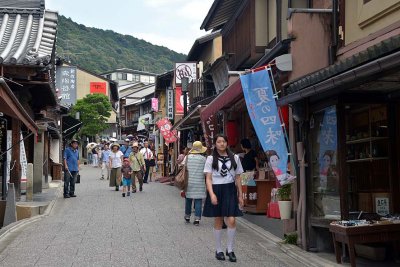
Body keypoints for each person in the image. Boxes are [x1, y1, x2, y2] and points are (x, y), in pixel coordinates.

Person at [203, 134, 244, 262]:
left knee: (231, 219)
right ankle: (219, 249)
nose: (222, 144)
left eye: (224, 141)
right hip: (216, 189)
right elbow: (208, 178)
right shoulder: (210, 159)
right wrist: (211, 194)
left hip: (230, 190)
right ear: (215, 144)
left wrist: (240, 195)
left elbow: (238, 177)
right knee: (219, 219)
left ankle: (230, 249)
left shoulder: (235, 158)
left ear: (227, 143)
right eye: (219, 142)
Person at [184, 141, 207, 226]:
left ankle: (187, 216)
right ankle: (197, 219)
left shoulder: (187, 157)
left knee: (188, 199)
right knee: (198, 200)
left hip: (189, 182)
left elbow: (183, 167)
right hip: (199, 182)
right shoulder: (203, 159)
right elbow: (206, 171)